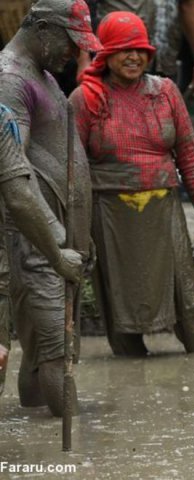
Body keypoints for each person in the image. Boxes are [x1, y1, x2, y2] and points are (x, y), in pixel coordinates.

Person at [69, 11, 194, 357]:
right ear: (105, 54)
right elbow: (72, 168)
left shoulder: (165, 92)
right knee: (120, 308)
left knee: (188, 302)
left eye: (140, 49)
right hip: (108, 213)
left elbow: (189, 152)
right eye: (124, 50)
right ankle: (129, 372)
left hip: (164, 207)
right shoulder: (85, 99)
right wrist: (74, 229)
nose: (134, 57)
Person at [0, 0, 99, 417]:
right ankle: (74, 457)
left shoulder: (40, 74)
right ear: (42, 28)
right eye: (70, 42)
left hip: (56, 235)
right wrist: (56, 249)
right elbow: (15, 180)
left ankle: (35, 434)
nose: (74, 54)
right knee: (58, 349)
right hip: (36, 241)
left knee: (41, 351)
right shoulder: (9, 81)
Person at [0, 105, 85, 398]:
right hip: (27, 248)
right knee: (50, 350)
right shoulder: (3, 115)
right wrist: (57, 253)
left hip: (23, 249)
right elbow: (20, 197)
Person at [79, 0, 194, 96]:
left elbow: (189, 6)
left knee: (163, 121)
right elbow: (82, 7)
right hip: (118, 60)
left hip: (165, 58)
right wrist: (83, 59)